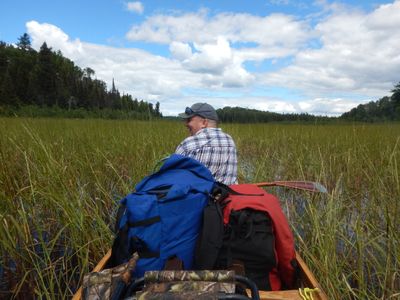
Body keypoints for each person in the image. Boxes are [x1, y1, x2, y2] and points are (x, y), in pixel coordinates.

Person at [175, 103, 238, 185]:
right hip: (227, 196)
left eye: (189, 120)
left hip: (199, 197)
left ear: (204, 122)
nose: (186, 124)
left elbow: (175, 178)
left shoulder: (187, 145)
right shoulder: (230, 141)